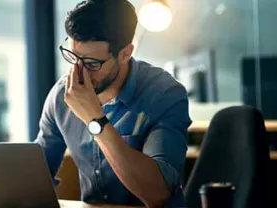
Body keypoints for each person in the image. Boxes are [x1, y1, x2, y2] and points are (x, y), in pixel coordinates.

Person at [35, 0, 192, 207]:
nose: (78, 73)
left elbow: (158, 194)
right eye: (72, 57)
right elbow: (37, 174)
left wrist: (94, 119)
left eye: (92, 64)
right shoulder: (61, 95)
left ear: (125, 53)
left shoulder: (164, 94)